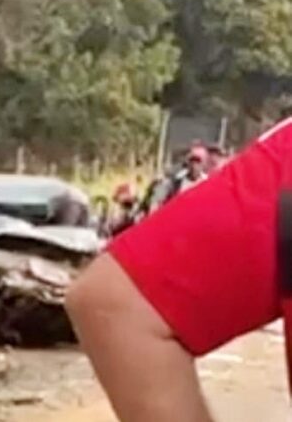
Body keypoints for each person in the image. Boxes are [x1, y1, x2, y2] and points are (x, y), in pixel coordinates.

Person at [66, 117, 292, 422]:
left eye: (201, 162)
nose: (197, 166)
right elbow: (114, 301)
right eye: (194, 162)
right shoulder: (170, 183)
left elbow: (114, 303)